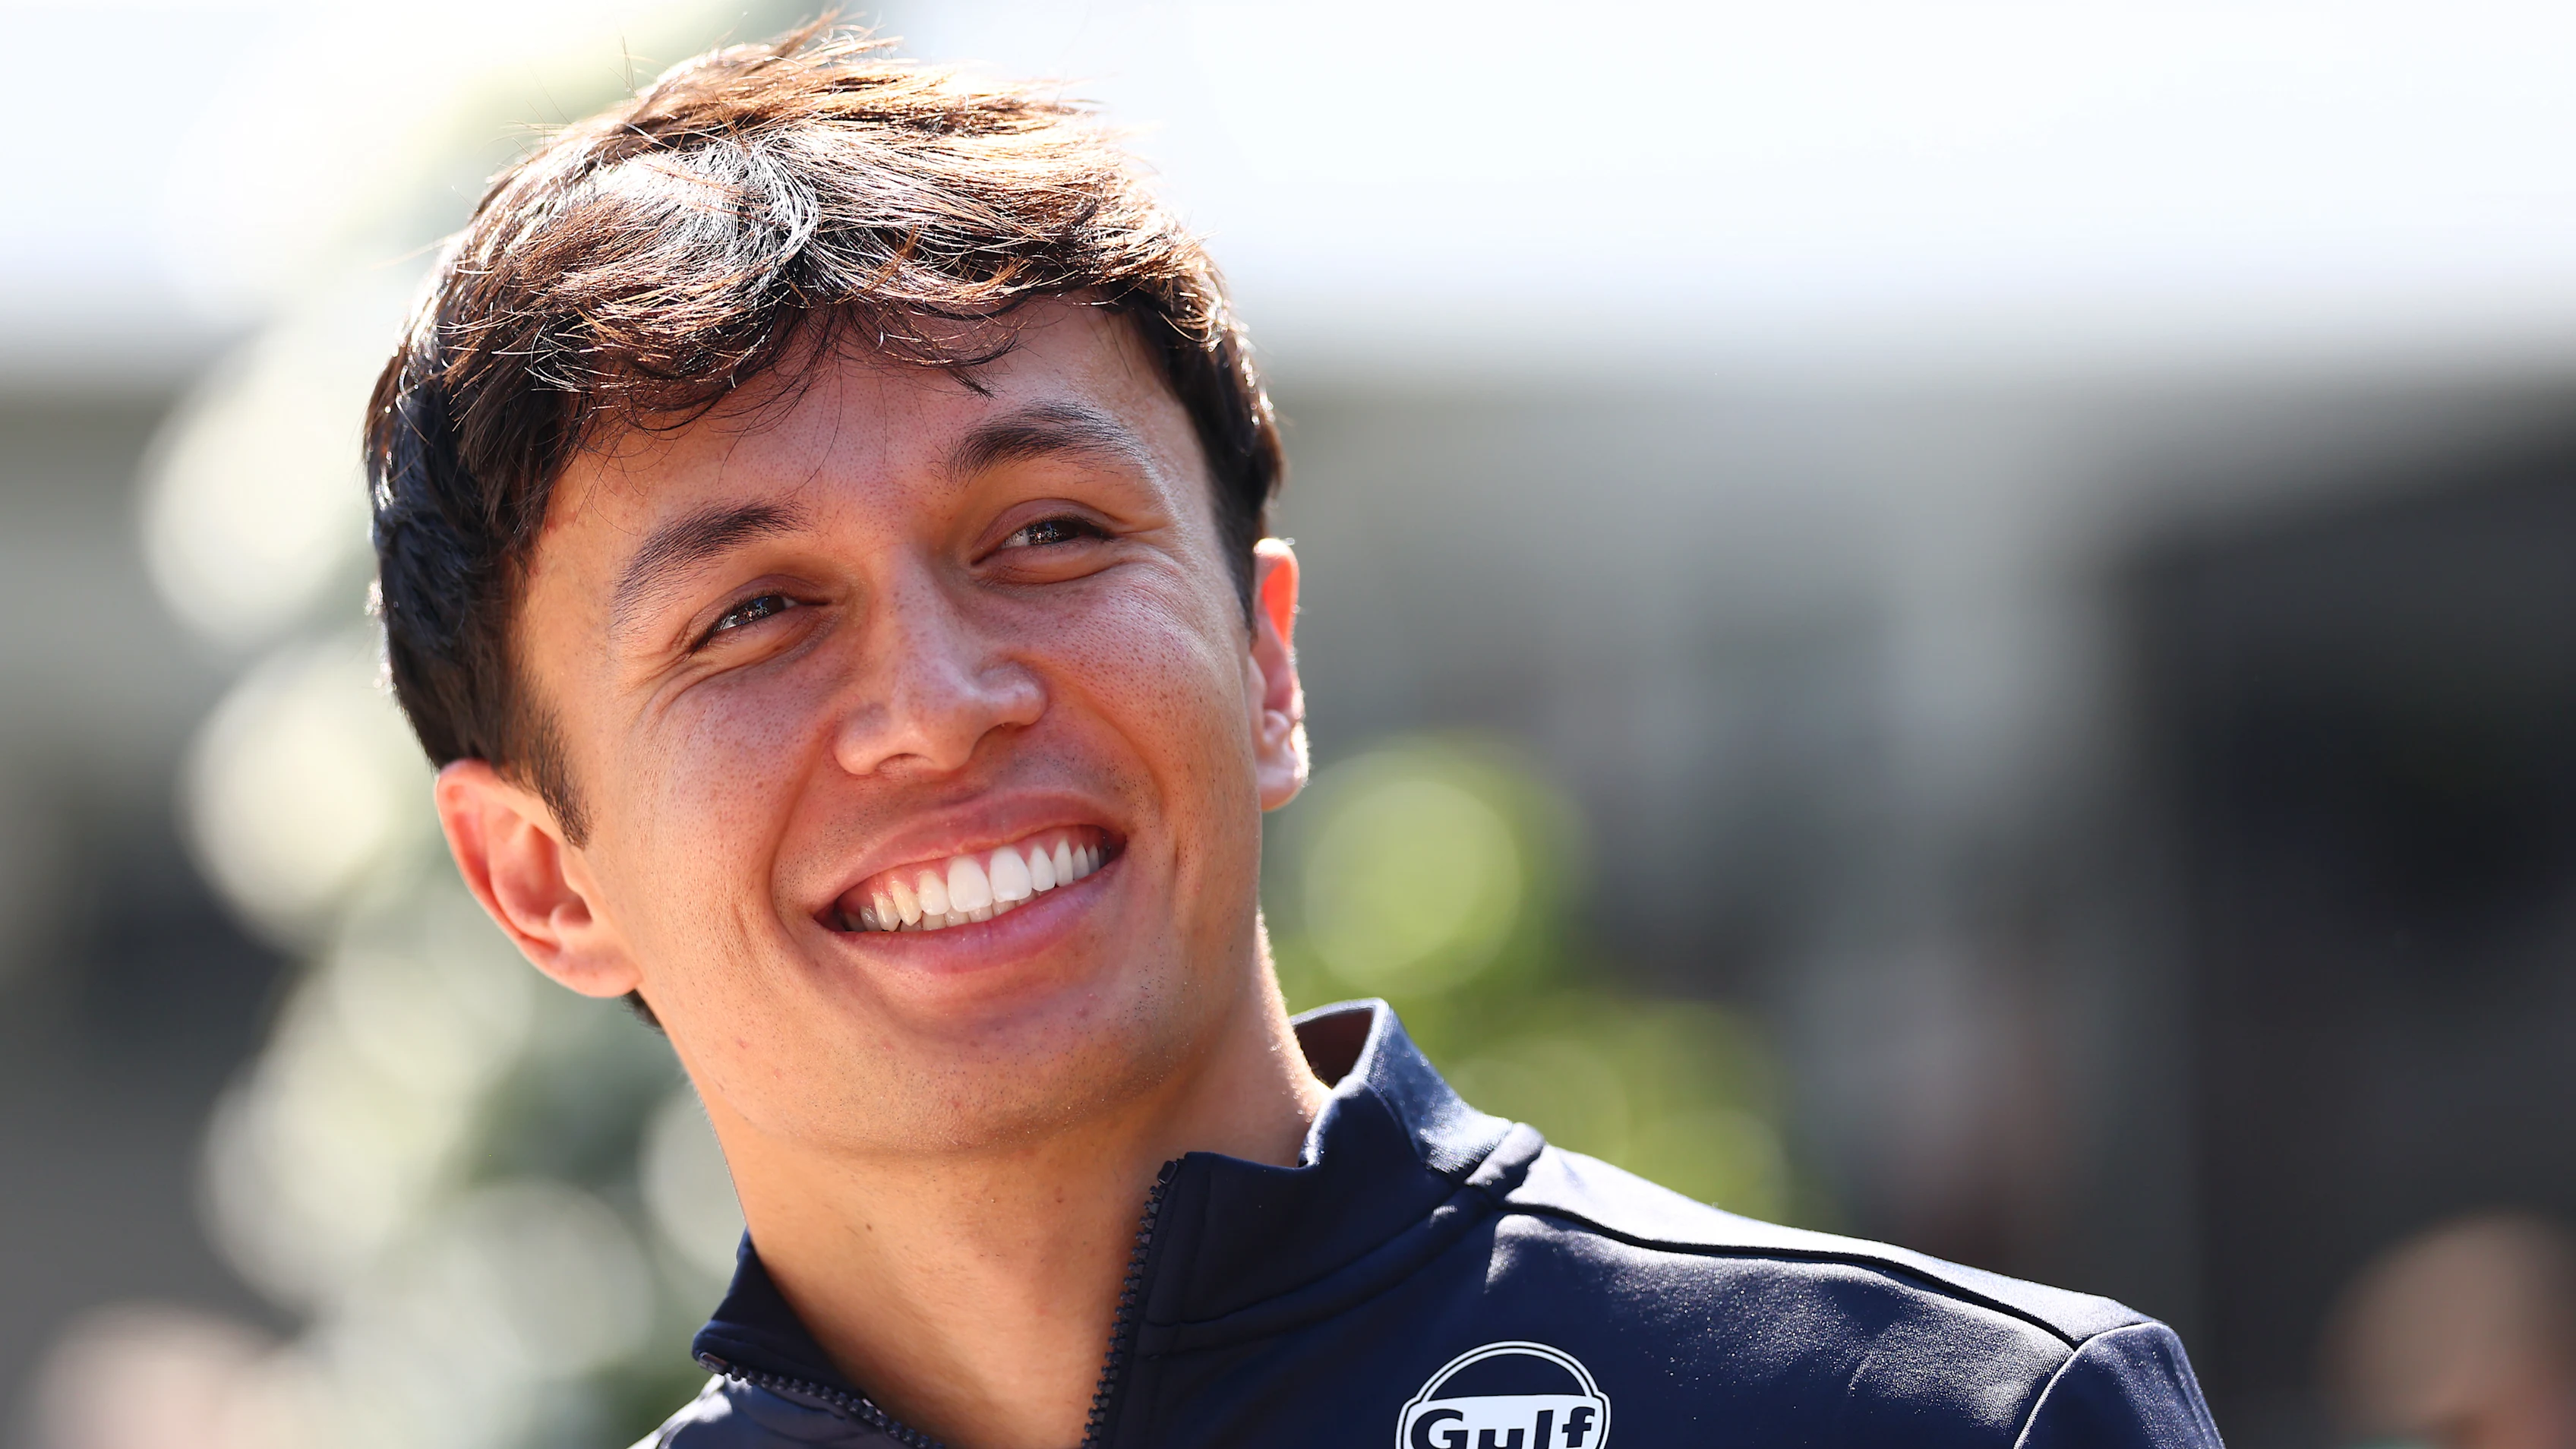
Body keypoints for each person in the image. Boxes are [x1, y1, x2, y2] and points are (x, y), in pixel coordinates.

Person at [367, 21, 2223, 1449]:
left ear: (1267, 665)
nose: (938, 705)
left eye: (1046, 536)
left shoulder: (1940, 1420)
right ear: (539, 876)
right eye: (751, 615)